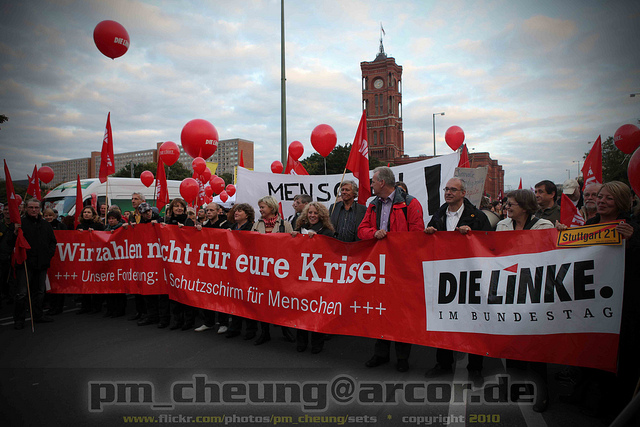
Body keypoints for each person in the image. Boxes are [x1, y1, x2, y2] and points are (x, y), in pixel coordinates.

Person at [560, 182, 639, 417]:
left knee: (618, 357)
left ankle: (614, 406)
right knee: (588, 349)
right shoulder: (590, 225)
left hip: (622, 304)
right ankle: (582, 393)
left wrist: (633, 240)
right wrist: (565, 236)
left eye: (609, 199)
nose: (602, 201)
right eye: (600, 197)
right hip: (590, 300)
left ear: (622, 203)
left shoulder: (632, 228)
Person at [424, 177, 492, 382]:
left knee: (473, 322)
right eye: (446, 189)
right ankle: (443, 363)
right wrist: (428, 233)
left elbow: (490, 241)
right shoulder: (437, 215)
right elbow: (427, 244)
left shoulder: (477, 216)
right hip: (445, 277)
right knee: (444, 321)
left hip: (470, 276)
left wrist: (473, 235)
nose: (448, 192)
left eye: (453, 189)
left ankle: (475, 367)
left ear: (464, 193)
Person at [358, 166, 424, 372]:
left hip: (402, 268)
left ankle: (402, 357)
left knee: (401, 313)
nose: (370, 185)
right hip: (379, 267)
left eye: (373, 181)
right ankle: (381, 353)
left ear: (382, 183)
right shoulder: (373, 205)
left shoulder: (411, 204)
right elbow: (361, 230)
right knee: (380, 311)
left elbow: (417, 236)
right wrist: (374, 233)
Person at [495, 189, 553, 412]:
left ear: (525, 207)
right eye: (506, 204)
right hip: (509, 291)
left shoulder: (544, 227)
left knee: (535, 343)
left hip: (534, 291)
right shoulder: (501, 226)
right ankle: (515, 386)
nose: (506, 208)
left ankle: (541, 391)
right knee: (512, 341)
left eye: (511, 204)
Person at [291, 202, 335, 354]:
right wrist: (294, 238)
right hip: (301, 277)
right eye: (310, 212)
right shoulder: (299, 228)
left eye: (315, 213)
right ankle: (301, 341)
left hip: (319, 278)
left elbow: (331, 254)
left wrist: (318, 240)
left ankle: (317, 342)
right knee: (301, 310)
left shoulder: (328, 232)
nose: (312, 215)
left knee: (317, 312)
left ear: (321, 215)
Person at [252, 195, 295, 345]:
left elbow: (293, 247)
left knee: (280, 301)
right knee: (263, 302)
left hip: (280, 270)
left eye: (263, 207)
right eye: (260, 207)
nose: (261, 210)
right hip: (262, 269)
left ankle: (285, 329)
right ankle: (265, 332)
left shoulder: (285, 224)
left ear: (271, 207)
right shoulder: (257, 225)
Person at [10, 199, 57, 329]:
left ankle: (38, 315)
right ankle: (19, 319)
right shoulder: (20, 224)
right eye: (31, 207)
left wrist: (48, 255)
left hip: (41, 263)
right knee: (22, 293)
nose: (34, 210)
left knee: (40, 291)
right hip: (25, 263)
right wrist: (14, 232)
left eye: (36, 207)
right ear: (26, 208)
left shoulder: (45, 225)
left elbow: (53, 242)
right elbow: (11, 242)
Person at [194, 202, 229, 334]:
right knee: (207, 294)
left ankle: (223, 322)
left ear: (218, 211)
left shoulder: (225, 225)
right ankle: (208, 322)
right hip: (208, 265)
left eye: (211, 210)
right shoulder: (204, 226)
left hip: (221, 265)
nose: (208, 212)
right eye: (207, 210)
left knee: (221, 295)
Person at [225, 203, 259, 340]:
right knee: (235, 298)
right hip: (234, 268)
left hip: (247, 268)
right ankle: (235, 327)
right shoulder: (232, 228)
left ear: (247, 214)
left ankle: (251, 329)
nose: (236, 213)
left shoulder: (252, 228)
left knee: (247, 299)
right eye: (235, 211)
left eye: (240, 211)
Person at [134, 202, 170, 328]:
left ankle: (164, 318)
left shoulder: (160, 220)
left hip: (160, 262)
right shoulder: (140, 225)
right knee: (149, 292)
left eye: (148, 211)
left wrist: (161, 225)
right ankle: (152, 316)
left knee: (162, 293)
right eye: (144, 212)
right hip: (148, 262)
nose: (147, 214)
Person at [165, 199, 196, 331]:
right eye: (176, 206)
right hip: (172, 261)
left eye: (181, 206)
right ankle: (177, 320)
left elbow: (192, 239)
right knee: (174, 293)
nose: (178, 208)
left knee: (185, 292)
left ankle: (188, 320)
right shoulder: (167, 222)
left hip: (185, 261)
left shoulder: (188, 221)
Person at [76, 206, 105, 315]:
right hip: (83, 258)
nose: (86, 214)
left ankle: (97, 306)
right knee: (84, 283)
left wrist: (95, 233)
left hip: (95, 257)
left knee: (95, 282)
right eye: (85, 212)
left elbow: (103, 240)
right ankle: (85, 306)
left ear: (93, 215)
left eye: (88, 212)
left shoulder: (98, 226)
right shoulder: (79, 226)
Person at [42, 208, 67, 315]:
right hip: (48, 259)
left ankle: (58, 306)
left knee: (59, 284)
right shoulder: (41, 225)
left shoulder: (61, 226)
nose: (48, 218)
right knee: (49, 284)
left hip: (60, 259)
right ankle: (51, 306)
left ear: (55, 216)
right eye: (46, 215)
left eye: (50, 215)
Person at [104, 210, 127, 318]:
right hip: (109, 260)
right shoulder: (106, 230)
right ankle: (110, 309)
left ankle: (119, 309)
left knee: (119, 288)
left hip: (119, 261)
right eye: (109, 219)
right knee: (109, 287)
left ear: (118, 219)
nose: (111, 220)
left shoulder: (122, 229)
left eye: (113, 218)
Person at [127, 193, 146, 320]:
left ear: (142, 201)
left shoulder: (147, 214)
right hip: (135, 252)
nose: (133, 201)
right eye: (132, 199)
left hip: (146, 253)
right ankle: (139, 311)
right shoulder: (132, 216)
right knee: (137, 282)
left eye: (136, 199)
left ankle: (146, 312)